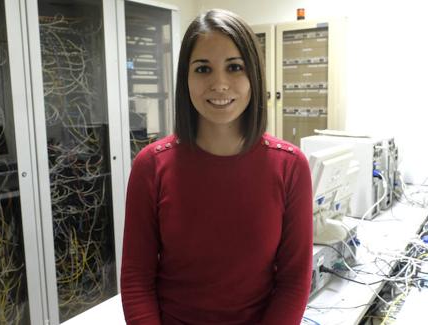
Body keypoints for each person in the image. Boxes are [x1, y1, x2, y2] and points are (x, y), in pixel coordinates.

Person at [121, 8, 313, 325]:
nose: (220, 84)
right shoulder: (151, 166)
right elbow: (136, 279)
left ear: (253, 75)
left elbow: (293, 282)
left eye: (234, 67)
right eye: (203, 69)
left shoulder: (290, 167)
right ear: (186, 78)